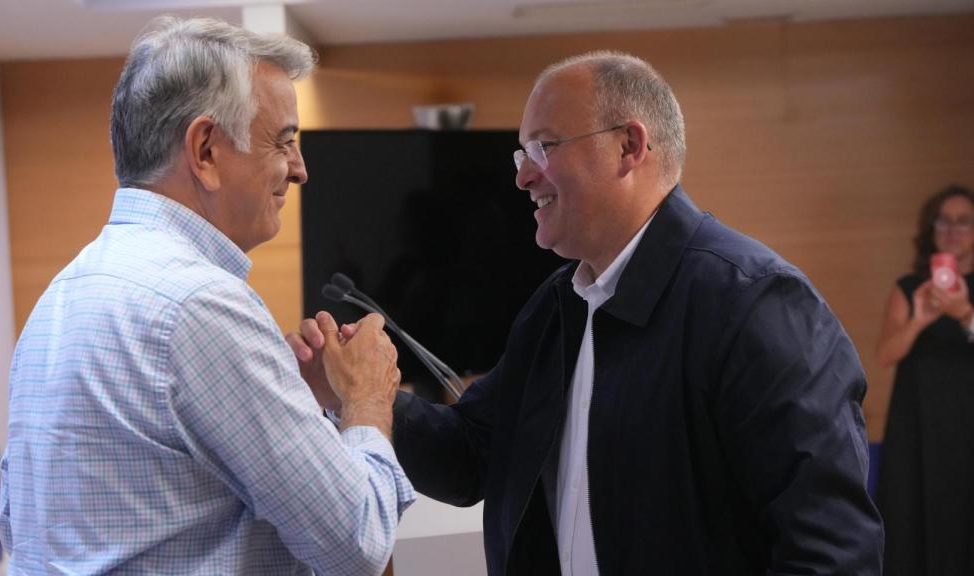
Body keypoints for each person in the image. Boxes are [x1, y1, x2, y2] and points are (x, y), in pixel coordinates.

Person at [293, 51, 884, 574]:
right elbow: (472, 458)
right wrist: (355, 394)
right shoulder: (559, 306)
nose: (523, 176)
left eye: (544, 147)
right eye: (521, 154)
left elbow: (832, 550)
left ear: (629, 146)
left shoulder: (754, 302)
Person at [0, 16, 413, 575]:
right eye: (284, 141)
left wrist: (301, 406)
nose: (300, 169)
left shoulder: (62, 295)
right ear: (206, 151)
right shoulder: (200, 306)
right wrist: (364, 400)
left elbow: (24, 526)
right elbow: (355, 543)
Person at [875, 184, 974, 576]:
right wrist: (921, 320)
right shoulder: (911, 287)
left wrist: (965, 313)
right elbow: (885, 354)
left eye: (963, 221)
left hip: (968, 430)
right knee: (912, 524)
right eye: (943, 220)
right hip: (918, 431)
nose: (952, 229)